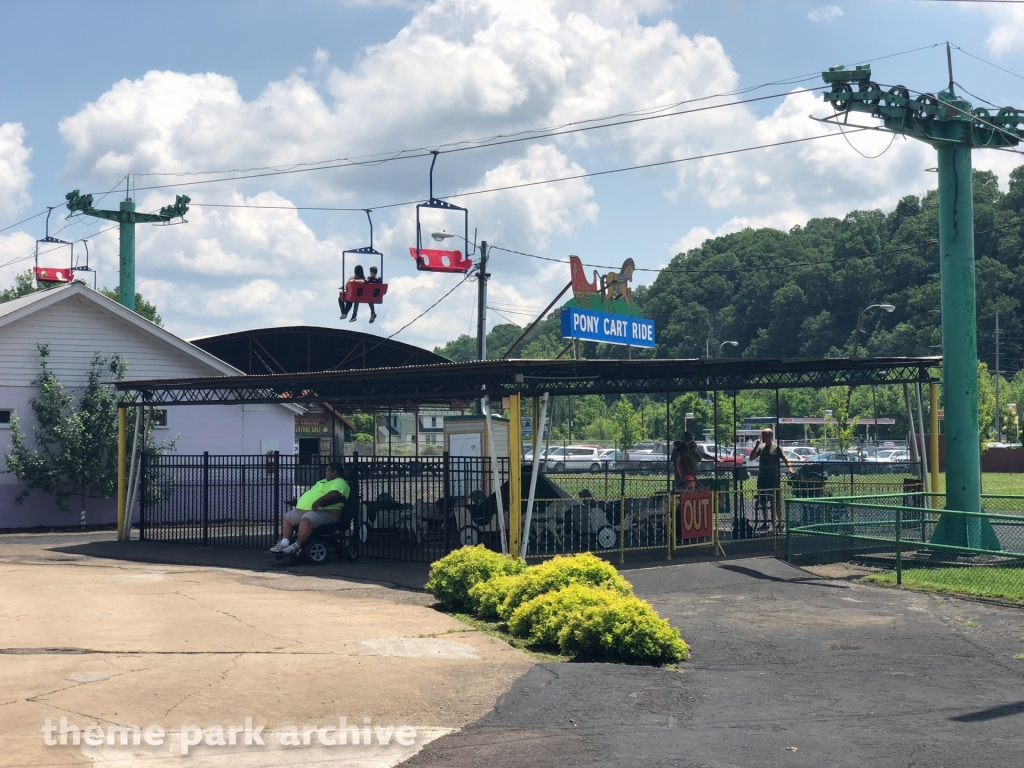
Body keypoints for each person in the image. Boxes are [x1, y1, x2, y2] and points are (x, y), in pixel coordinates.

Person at [271, 461, 350, 555]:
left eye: (328, 470)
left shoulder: (339, 482)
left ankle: (296, 546)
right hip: (305, 511)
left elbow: (335, 493)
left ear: (335, 472)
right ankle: (284, 544)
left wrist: (318, 501)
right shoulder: (322, 481)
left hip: (325, 512)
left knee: (307, 520)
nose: (326, 472)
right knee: (287, 518)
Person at [749, 428, 790, 530]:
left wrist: (790, 468)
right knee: (763, 501)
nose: (762, 438)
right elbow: (751, 458)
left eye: (764, 436)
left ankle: (780, 523)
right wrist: (756, 446)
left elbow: (785, 458)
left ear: (770, 436)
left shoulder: (777, 447)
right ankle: (765, 523)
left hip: (773, 478)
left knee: (776, 501)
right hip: (762, 478)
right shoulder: (761, 447)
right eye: (762, 436)